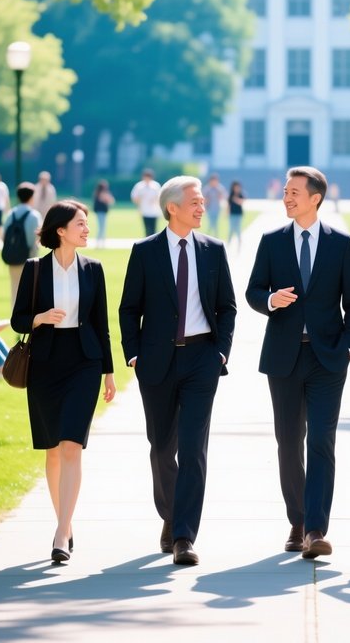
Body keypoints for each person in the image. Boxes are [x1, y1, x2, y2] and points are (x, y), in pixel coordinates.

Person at [246, 166, 350, 560]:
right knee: (288, 442)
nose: (286, 197)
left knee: (321, 441)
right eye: (285, 191)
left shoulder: (341, 244)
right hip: (283, 356)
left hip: (328, 359)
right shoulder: (272, 241)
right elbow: (252, 291)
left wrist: (349, 348)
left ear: (315, 198)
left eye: (294, 192)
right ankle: (297, 521)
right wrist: (269, 300)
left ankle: (316, 529)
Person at [119, 176, 236, 566]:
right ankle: (170, 514)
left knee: (193, 448)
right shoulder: (145, 251)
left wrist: (220, 354)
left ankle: (184, 535)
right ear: (172, 208)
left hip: (202, 360)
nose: (203, 207)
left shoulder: (214, 250)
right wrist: (134, 355)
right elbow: (128, 309)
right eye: (195, 202)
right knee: (161, 448)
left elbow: (227, 307)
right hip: (156, 361)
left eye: (202, 201)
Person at [11, 200, 116, 564]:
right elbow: (18, 320)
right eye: (80, 224)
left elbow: (102, 325)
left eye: (87, 223)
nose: (87, 229)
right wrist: (39, 318)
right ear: (61, 230)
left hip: (84, 362)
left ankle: (60, 533)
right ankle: (66, 525)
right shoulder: (35, 269)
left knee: (72, 445)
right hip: (46, 364)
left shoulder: (94, 269)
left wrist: (109, 372)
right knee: (53, 449)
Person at [3, 182, 42, 306]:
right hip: (29, 258)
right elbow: (36, 239)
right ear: (31, 197)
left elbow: (4, 236)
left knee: (15, 289)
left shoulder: (11, 214)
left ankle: (15, 316)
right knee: (30, 292)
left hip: (12, 257)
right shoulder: (34, 215)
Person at [130, 168, 162, 237]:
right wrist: (140, 199)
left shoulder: (156, 186)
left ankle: (154, 242)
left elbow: (160, 198)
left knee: (154, 229)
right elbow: (134, 198)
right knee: (147, 229)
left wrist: (154, 200)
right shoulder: (139, 186)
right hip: (144, 211)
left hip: (154, 211)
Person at [92, 179, 115, 248]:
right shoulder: (102, 193)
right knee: (102, 228)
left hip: (101, 212)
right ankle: (100, 243)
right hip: (101, 212)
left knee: (102, 227)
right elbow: (111, 201)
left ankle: (100, 243)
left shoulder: (97, 193)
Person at [227, 180, 245, 251]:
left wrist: (236, 199)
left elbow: (242, 202)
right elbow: (228, 205)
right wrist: (226, 213)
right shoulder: (231, 195)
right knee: (231, 229)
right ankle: (228, 244)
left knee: (238, 230)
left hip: (238, 214)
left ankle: (239, 245)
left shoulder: (241, 194)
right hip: (232, 214)